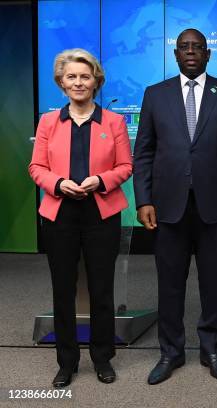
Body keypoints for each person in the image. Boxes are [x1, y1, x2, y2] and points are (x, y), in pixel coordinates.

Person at [133, 28, 217, 385]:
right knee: (169, 283)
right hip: (168, 206)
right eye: (184, 47)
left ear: (208, 54)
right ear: (175, 54)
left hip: (216, 205)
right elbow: (144, 153)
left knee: (213, 282)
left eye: (196, 47)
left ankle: (212, 349)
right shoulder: (155, 95)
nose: (190, 52)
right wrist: (144, 200)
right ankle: (170, 352)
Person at [29, 48, 133, 388]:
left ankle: (102, 358)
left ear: (96, 81)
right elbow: (36, 168)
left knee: (102, 289)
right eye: (71, 77)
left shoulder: (114, 122)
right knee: (63, 290)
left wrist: (100, 181)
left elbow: (125, 167)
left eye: (85, 76)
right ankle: (67, 361)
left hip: (101, 212)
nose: (78, 82)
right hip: (59, 213)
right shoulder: (47, 122)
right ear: (61, 82)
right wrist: (58, 184)